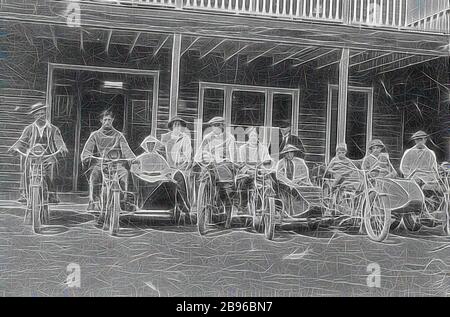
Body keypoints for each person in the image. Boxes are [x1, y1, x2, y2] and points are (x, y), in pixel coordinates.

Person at [9, 101, 68, 204]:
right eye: (37, 114)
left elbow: (58, 140)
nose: (40, 116)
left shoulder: (53, 129)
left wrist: (62, 147)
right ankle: (24, 194)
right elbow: (21, 141)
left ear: (45, 114)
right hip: (32, 155)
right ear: (34, 116)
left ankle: (52, 194)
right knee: (26, 166)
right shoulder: (29, 129)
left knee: (53, 166)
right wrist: (15, 147)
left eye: (42, 113)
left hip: (47, 155)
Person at [80, 110, 136, 212]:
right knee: (94, 175)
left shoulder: (119, 135)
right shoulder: (95, 135)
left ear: (112, 120)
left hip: (116, 164)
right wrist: (86, 156)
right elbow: (88, 149)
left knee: (124, 173)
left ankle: (123, 201)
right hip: (100, 163)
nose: (107, 122)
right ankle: (93, 202)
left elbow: (126, 150)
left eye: (109, 120)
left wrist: (132, 158)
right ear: (101, 121)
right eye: (105, 120)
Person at [194, 117, 237, 225]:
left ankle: (227, 215)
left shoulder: (230, 138)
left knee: (227, 189)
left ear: (222, 126)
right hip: (211, 163)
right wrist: (197, 160)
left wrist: (232, 162)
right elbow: (201, 151)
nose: (215, 128)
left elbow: (232, 155)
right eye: (213, 125)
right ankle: (204, 201)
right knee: (202, 175)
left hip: (224, 163)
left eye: (218, 125)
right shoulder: (208, 137)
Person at [237, 127, 273, 210]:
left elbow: (267, 160)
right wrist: (248, 171)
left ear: (258, 137)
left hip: (259, 172)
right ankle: (243, 205)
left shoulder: (263, 148)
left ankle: (263, 205)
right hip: (247, 172)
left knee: (267, 183)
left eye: (255, 136)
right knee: (243, 183)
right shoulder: (242, 149)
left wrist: (264, 167)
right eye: (251, 136)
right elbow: (241, 163)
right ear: (248, 137)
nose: (253, 138)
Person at [276, 144, 312, 216]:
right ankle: (288, 213)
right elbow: (279, 175)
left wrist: (299, 181)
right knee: (288, 191)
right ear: (284, 154)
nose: (289, 155)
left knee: (306, 191)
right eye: (287, 153)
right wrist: (289, 182)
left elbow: (305, 174)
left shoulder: (300, 162)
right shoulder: (281, 162)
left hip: (299, 183)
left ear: (294, 153)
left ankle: (304, 211)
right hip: (285, 185)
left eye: (291, 152)